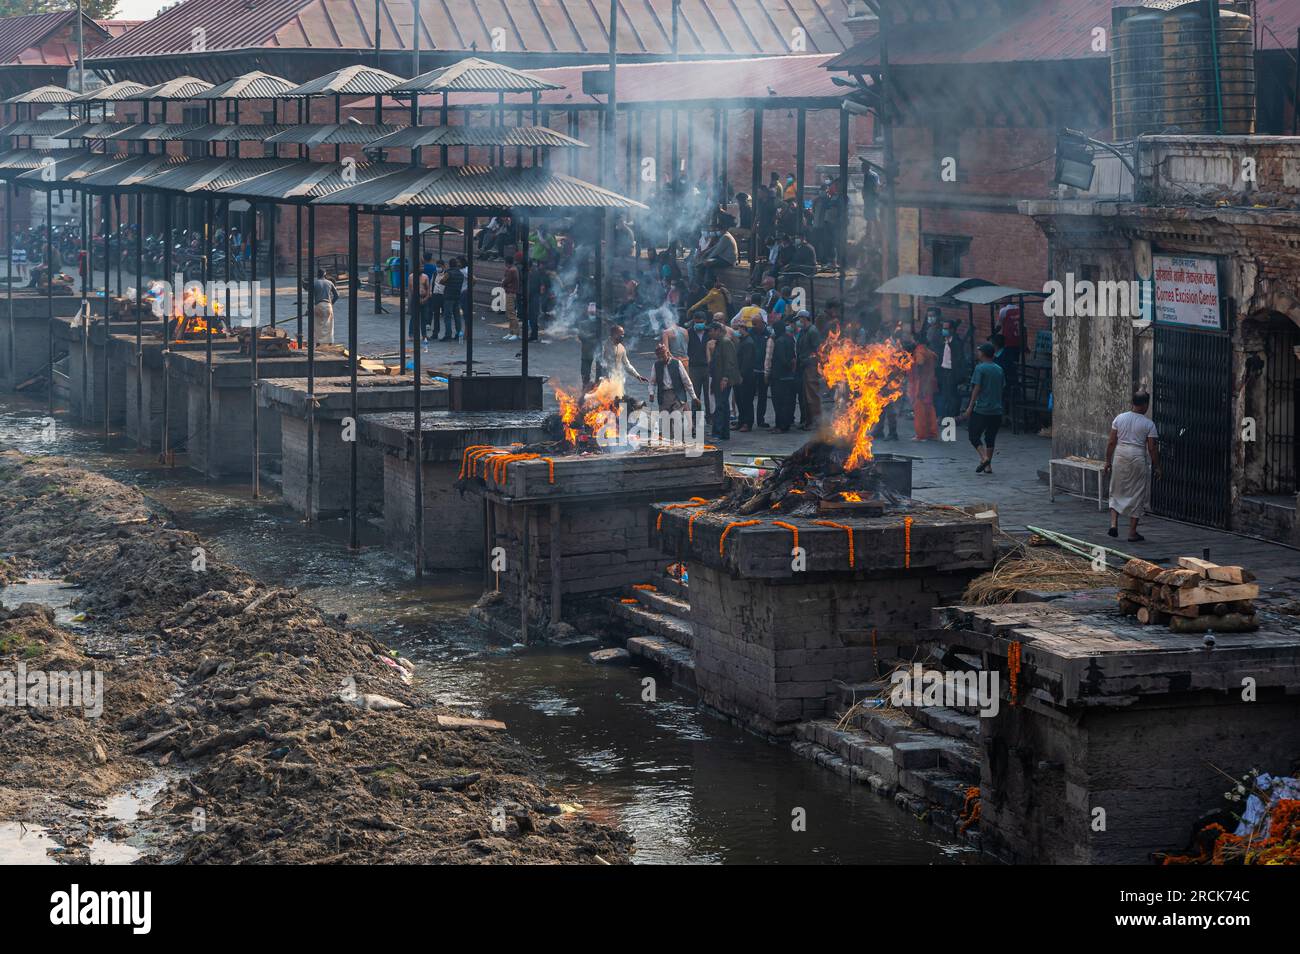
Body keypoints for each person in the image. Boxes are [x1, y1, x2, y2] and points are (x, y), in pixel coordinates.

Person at [1104, 391, 1161, 542]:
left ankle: (1114, 524)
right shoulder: (1149, 424)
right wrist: (1157, 466)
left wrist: (1107, 461)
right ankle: (1132, 532)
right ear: (1145, 405)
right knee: (1137, 493)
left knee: (1116, 489)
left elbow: (1111, 442)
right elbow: (1152, 448)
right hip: (1137, 457)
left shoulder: (1119, 418)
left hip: (1120, 455)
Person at [959, 342, 1005, 474]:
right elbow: (1002, 387)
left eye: (979, 351)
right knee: (990, 437)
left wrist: (969, 407)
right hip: (997, 410)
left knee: (973, 435)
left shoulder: (980, 368)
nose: (977, 353)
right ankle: (988, 466)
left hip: (982, 409)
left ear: (983, 354)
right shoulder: (999, 369)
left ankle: (984, 458)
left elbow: (976, 389)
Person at [590, 323, 647, 396]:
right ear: (614, 334)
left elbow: (627, 364)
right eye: (621, 335)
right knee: (604, 403)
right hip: (605, 382)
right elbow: (595, 363)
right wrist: (592, 379)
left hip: (618, 382)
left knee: (620, 402)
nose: (623, 337)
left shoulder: (622, 348)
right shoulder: (604, 346)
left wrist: (637, 375)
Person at [708, 320, 740, 441]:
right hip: (718, 379)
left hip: (723, 380)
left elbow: (730, 362)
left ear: (717, 330)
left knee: (721, 406)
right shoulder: (719, 343)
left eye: (711, 331)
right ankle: (724, 434)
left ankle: (718, 433)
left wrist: (725, 378)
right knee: (723, 406)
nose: (710, 333)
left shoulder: (725, 342)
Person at [651, 341, 698, 415]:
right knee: (665, 422)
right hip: (663, 396)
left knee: (676, 419)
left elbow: (686, 381)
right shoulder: (656, 365)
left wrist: (694, 397)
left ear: (667, 353)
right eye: (659, 357)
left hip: (677, 395)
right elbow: (652, 382)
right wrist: (651, 393)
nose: (661, 359)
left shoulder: (677, 363)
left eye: (663, 356)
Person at [768, 320, 798, 432]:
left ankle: (781, 426)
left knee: (779, 403)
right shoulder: (790, 339)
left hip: (780, 377)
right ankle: (782, 424)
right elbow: (794, 356)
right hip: (789, 376)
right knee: (787, 402)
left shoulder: (780, 341)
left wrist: (786, 366)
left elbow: (782, 359)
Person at [795, 309, 822, 430]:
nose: (798, 321)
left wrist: (809, 360)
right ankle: (807, 421)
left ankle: (815, 422)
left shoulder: (812, 331)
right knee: (805, 396)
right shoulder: (804, 331)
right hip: (804, 366)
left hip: (811, 367)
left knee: (812, 396)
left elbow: (818, 351)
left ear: (804, 318)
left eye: (799, 318)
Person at [908, 338, 939, 441]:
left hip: (921, 384)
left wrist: (920, 386)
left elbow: (920, 364)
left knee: (920, 409)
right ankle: (932, 433)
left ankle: (921, 435)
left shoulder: (919, 351)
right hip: (929, 383)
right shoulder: (928, 352)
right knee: (929, 408)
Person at [312, 267, 338, 345]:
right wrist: (331, 303)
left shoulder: (314, 283)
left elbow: (310, 298)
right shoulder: (330, 283)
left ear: (317, 275)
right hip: (327, 305)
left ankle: (318, 343)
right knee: (329, 324)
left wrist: (308, 309)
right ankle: (330, 343)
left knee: (317, 325)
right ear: (325, 274)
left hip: (318, 305)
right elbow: (337, 295)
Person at [440, 256, 463, 341]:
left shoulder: (449, 273)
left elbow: (441, 281)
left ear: (449, 265)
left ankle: (448, 334)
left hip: (449, 296)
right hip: (457, 296)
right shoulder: (460, 274)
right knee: (457, 316)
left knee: (447, 316)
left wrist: (447, 284)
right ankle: (458, 333)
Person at [502, 252, 521, 341]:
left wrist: (503, 282)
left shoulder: (511, 270)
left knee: (512, 314)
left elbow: (505, 281)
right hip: (511, 292)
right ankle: (511, 332)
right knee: (509, 313)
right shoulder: (513, 269)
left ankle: (516, 333)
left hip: (510, 293)